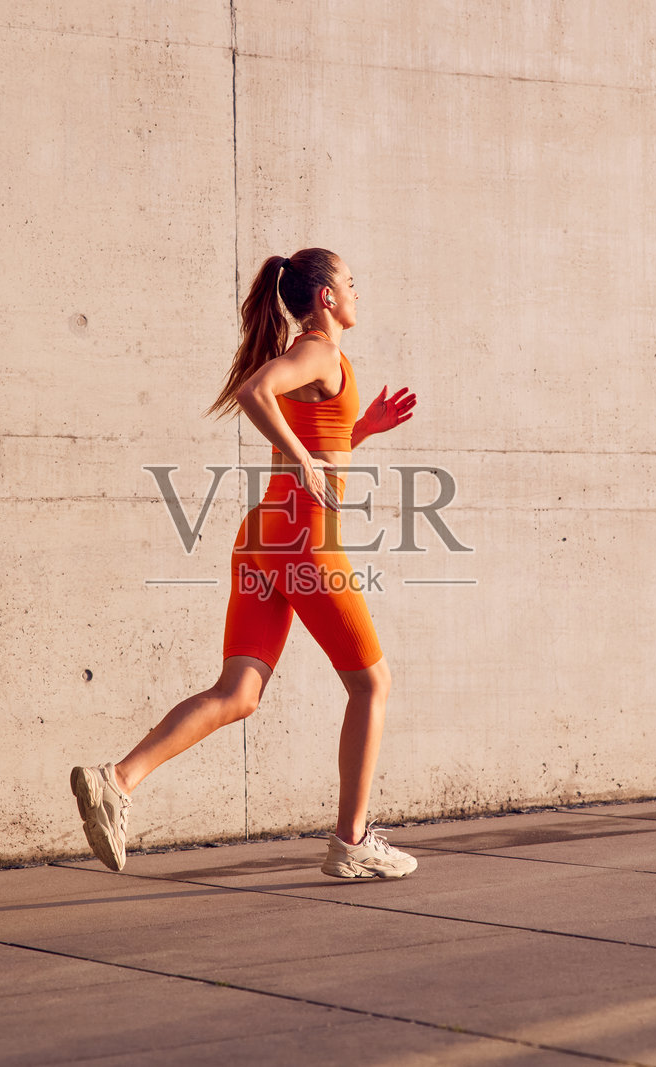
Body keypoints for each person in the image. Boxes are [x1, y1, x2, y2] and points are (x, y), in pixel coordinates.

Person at [71, 248, 419, 879]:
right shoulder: (318, 350)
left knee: (238, 693)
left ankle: (117, 780)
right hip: (305, 542)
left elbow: (313, 430)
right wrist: (308, 462)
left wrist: (358, 429)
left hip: (264, 535)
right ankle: (353, 842)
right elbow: (256, 393)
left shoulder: (317, 358)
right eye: (350, 282)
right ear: (325, 299)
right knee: (372, 685)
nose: (357, 292)